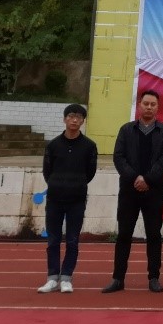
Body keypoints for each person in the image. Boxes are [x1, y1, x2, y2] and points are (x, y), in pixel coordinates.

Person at [104, 89, 163, 293]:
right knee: (124, 234)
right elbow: (118, 157)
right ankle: (118, 278)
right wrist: (135, 178)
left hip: (153, 190)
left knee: (154, 235)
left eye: (153, 104)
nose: (149, 107)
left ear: (157, 108)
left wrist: (148, 179)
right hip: (129, 190)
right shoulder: (126, 129)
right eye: (146, 104)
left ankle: (154, 278)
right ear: (140, 105)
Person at [39, 103, 98, 294]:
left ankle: (66, 277)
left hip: (76, 200)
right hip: (55, 199)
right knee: (53, 240)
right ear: (64, 119)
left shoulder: (89, 146)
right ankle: (52, 277)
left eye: (78, 117)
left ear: (83, 121)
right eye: (71, 116)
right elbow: (47, 171)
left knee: (72, 240)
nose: (74, 120)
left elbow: (90, 172)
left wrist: (76, 183)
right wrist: (57, 183)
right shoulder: (53, 145)